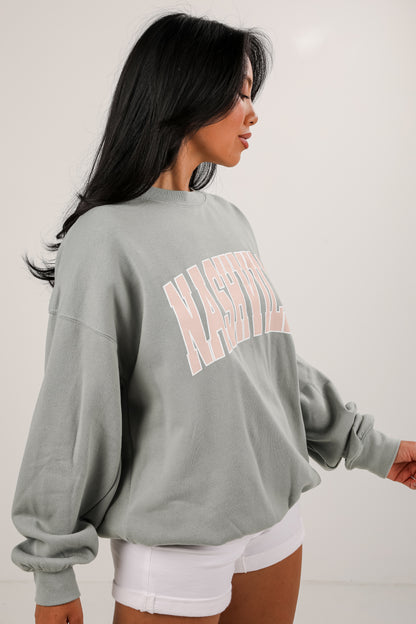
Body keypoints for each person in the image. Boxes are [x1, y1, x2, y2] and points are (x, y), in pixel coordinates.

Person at [10, 10, 416, 624]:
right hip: (176, 545)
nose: (252, 114)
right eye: (239, 93)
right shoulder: (104, 239)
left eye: (252, 95)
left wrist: (372, 447)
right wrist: (53, 568)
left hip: (274, 524)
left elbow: (267, 365)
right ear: (185, 91)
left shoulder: (228, 221)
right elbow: (74, 410)